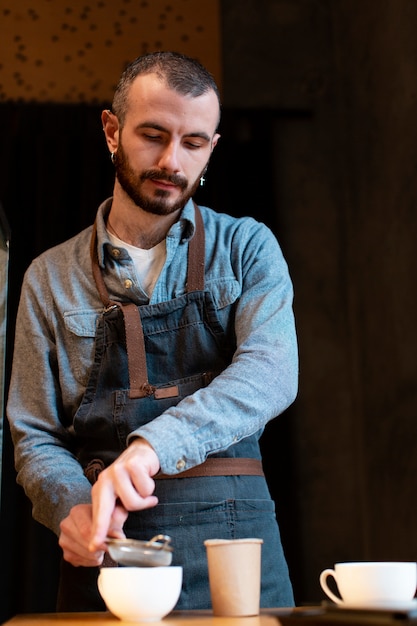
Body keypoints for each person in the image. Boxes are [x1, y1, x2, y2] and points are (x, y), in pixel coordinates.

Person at [7, 51, 298, 612]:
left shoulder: (247, 247)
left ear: (211, 148)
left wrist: (149, 449)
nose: (171, 160)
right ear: (112, 132)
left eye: (193, 142)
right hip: (110, 563)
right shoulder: (47, 277)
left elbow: (273, 372)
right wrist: (71, 508)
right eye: (153, 134)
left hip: (238, 552)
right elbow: (35, 434)